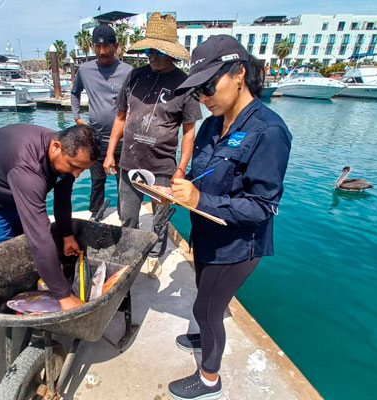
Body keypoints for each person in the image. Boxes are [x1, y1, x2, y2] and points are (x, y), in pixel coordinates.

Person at [168, 35, 292, 400]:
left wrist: (200, 198)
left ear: (239, 73)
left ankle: (209, 380)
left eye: (208, 86)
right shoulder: (210, 125)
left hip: (238, 246)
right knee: (207, 304)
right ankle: (205, 333)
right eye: (198, 92)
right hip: (205, 235)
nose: (204, 98)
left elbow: (262, 206)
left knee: (205, 308)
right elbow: (204, 178)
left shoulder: (269, 131)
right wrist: (180, 187)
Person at [0, 123, 100, 311]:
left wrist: (67, 234)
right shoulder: (29, 171)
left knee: (27, 250)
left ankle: (38, 294)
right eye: (74, 167)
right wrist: (64, 295)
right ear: (55, 147)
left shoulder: (64, 153)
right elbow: (39, 238)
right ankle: (13, 308)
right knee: (8, 260)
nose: (77, 175)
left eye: (82, 170)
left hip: (10, 186)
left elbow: (62, 199)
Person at [103, 12, 202, 277]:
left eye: (158, 51)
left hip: (162, 166)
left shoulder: (186, 85)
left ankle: (156, 253)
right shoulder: (134, 76)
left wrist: (181, 168)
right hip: (129, 160)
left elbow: (189, 132)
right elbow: (121, 117)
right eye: (148, 50)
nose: (152, 56)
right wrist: (110, 153)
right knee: (128, 214)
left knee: (161, 216)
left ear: (171, 53)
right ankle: (130, 253)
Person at [71, 24, 133, 219]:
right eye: (97, 47)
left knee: (124, 183)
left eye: (107, 46)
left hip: (123, 138)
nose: (102, 51)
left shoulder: (129, 71)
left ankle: (125, 214)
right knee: (97, 180)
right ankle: (95, 213)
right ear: (92, 46)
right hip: (95, 138)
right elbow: (74, 93)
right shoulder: (85, 70)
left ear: (116, 46)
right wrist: (76, 116)